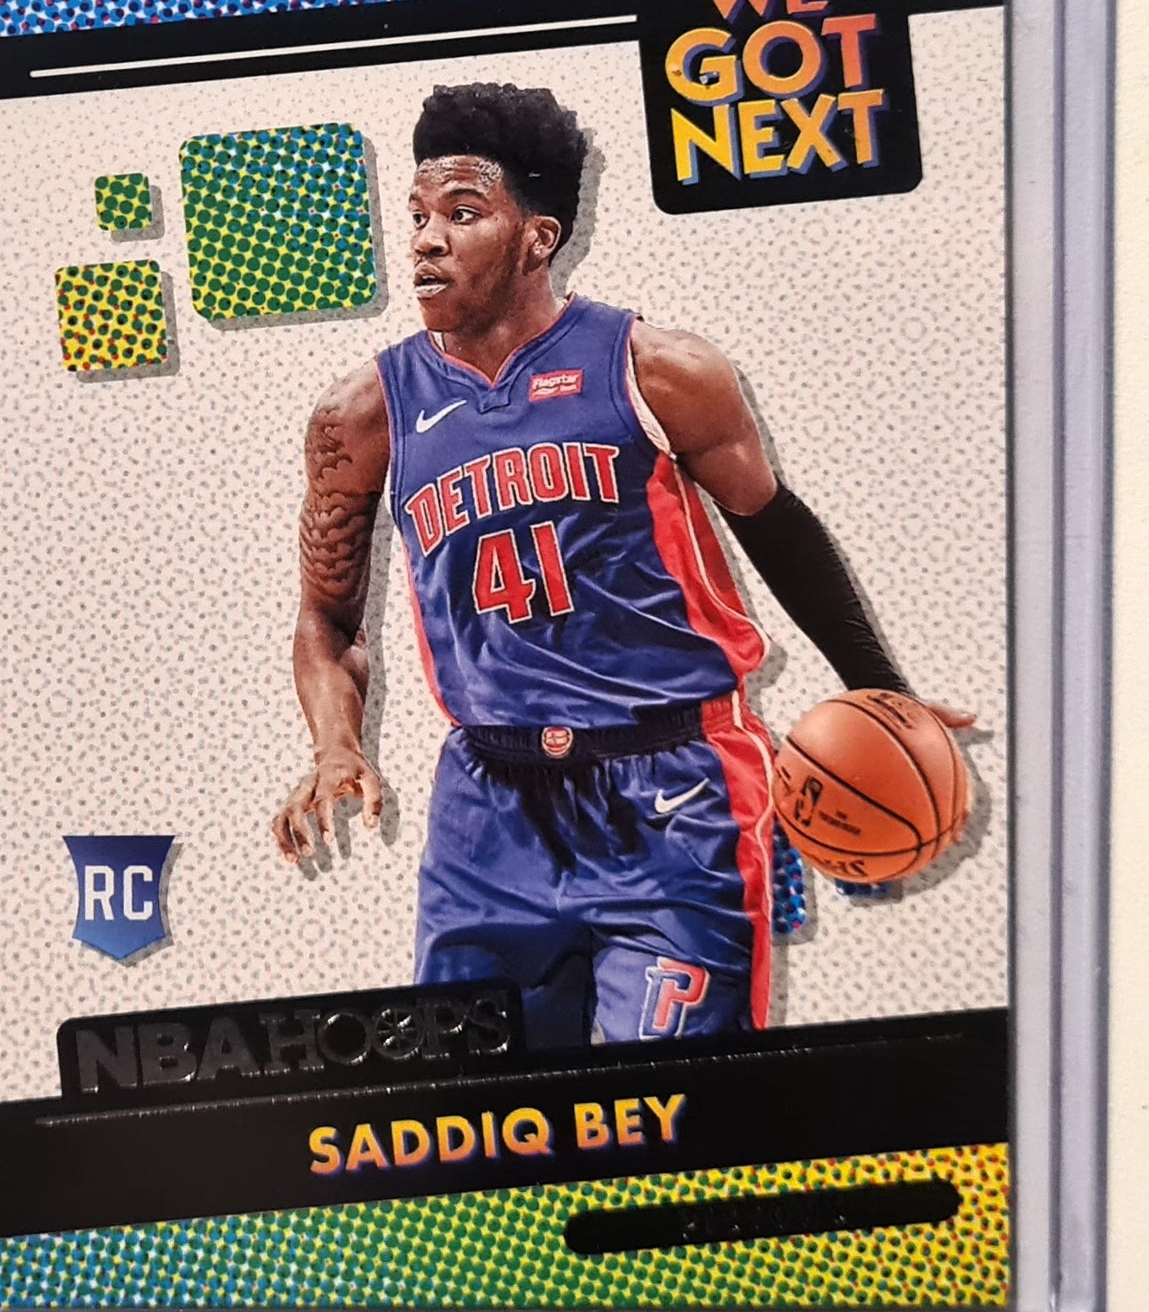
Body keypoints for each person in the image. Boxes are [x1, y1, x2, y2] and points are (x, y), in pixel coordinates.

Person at [272, 82, 970, 1049]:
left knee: (671, 1111)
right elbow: (326, 620)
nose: (426, 241)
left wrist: (882, 689)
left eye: (462, 214)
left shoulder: (659, 369)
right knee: (477, 1121)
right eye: (418, 215)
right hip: (488, 808)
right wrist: (335, 746)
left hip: (673, 787)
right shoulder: (361, 412)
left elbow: (772, 524)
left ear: (538, 237)